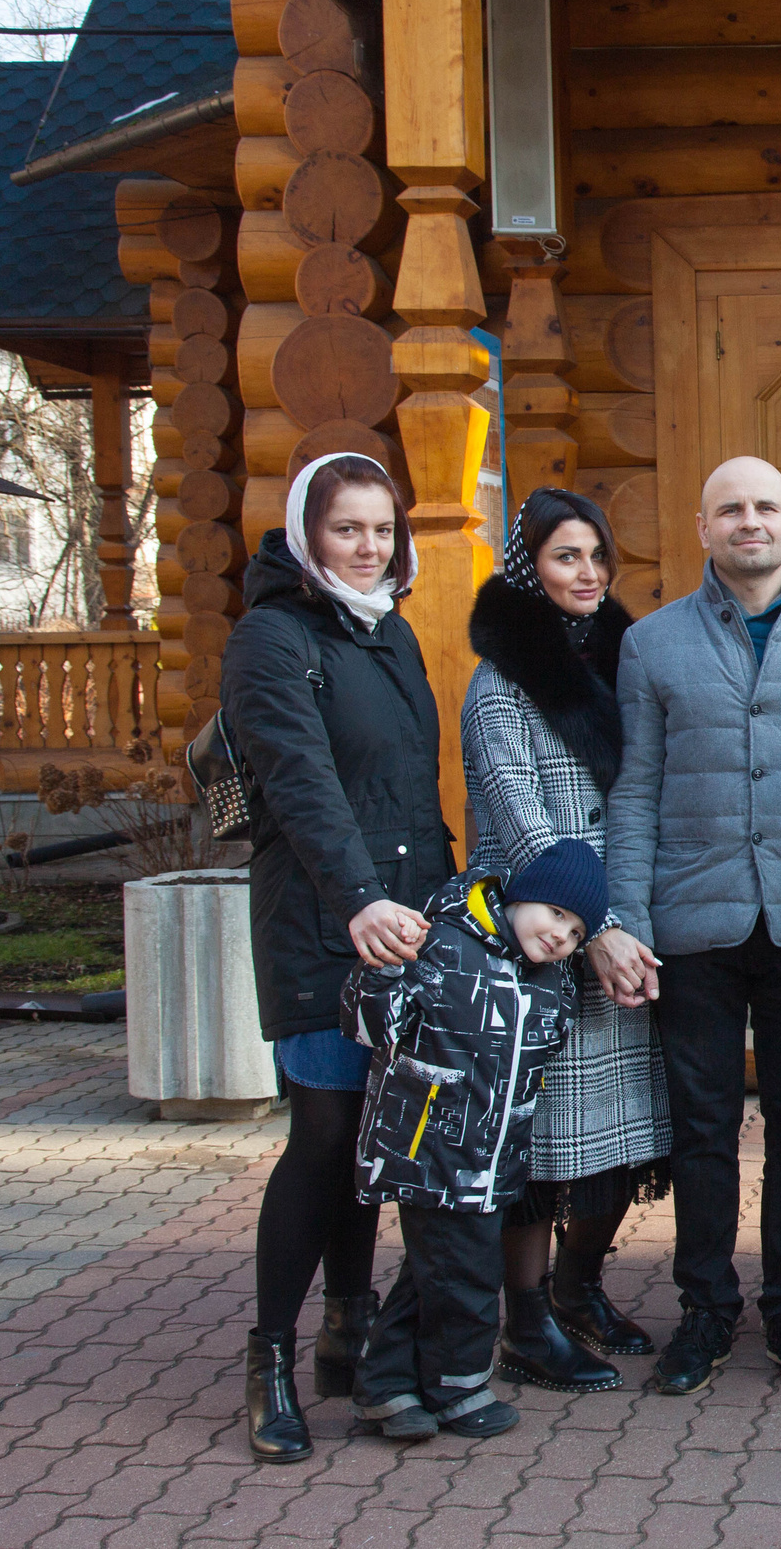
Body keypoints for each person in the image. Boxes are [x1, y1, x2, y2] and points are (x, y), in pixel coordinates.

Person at [594, 457, 781, 1397]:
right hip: (694, 923)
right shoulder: (651, 644)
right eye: (731, 509)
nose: (750, 522)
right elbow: (634, 789)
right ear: (702, 526)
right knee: (704, 1126)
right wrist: (627, 918)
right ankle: (708, 1307)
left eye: (766, 506)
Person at [220, 452, 456, 1464]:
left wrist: (444, 910)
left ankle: (350, 1334)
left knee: (377, 1141)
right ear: (307, 535)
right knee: (322, 1136)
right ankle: (269, 1355)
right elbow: (301, 782)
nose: (366, 547)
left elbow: (410, 786)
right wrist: (358, 900)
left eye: (379, 530)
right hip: (321, 926)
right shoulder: (271, 638)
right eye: (346, 529)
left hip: (400, 927)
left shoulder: (392, 632)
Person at [463, 488, 667, 1393]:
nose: (586, 574)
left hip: (623, 924)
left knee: (623, 1138)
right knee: (541, 1153)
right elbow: (521, 821)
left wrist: (627, 922)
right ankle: (526, 1317)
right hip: (540, 934)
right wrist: (594, 929)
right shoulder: (502, 680)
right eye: (563, 557)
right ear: (527, 568)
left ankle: (580, 1286)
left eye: (595, 556)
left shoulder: (625, 659)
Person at [343, 843, 602, 1441]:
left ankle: (385, 1386)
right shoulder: (439, 941)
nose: (562, 935)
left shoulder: (547, 979)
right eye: (556, 914)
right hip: (430, 1147)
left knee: (435, 1271)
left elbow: (540, 1052)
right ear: (518, 896)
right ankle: (457, 1387)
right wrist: (382, 970)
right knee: (467, 1272)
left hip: (490, 1155)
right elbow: (365, 1026)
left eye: (577, 930)